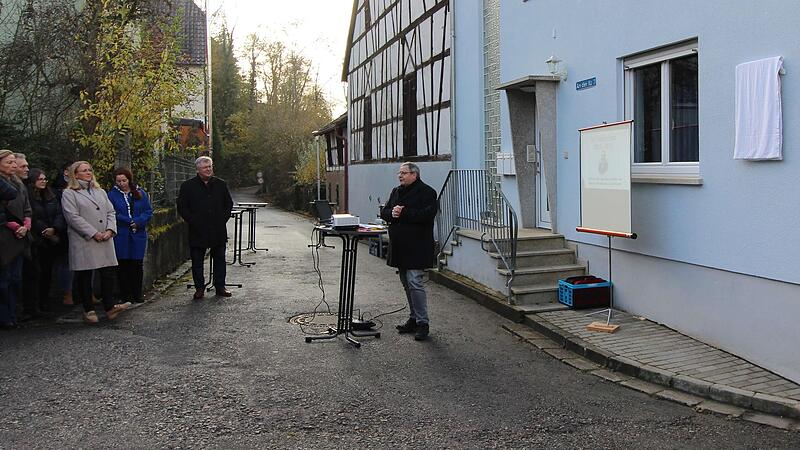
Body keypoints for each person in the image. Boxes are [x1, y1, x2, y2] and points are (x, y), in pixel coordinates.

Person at [61, 161, 130, 324]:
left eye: (90, 170)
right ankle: (88, 309)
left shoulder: (100, 191)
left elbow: (111, 212)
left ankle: (110, 307)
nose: (88, 173)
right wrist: (93, 233)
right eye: (84, 170)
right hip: (85, 239)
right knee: (85, 274)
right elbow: (72, 217)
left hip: (105, 237)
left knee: (107, 273)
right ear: (75, 174)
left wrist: (110, 230)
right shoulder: (69, 193)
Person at [380, 162, 438, 341]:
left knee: (414, 281)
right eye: (399, 173)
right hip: (400, 245)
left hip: (417, 245)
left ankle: (423, 323)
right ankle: (413, 318)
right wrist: (392, 213)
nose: (400, 175)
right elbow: (385, 212)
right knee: (406, 282)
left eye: (404, 173)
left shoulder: (427, 192)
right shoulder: (396, 191)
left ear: (414, 174)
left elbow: (427, 215)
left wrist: (403, 213)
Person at [177, 156, 234, 300]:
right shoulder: (188, 186)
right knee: (197, 261)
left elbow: (228, 204)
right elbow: (182, 207)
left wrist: (222, 219)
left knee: (220, 259)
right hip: (197, 229)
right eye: (205, 167)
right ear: (198, 169)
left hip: (217, 229)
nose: (208, 170)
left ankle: (220, 286)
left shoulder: (221, 184)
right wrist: (193, 220)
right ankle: (199, 288)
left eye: (210, 167)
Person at [107, 167, 152, 304]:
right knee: (123, 265)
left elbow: (148, 211)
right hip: (121, 234)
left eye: (124, 180)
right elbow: (112, 212)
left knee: (136, 264)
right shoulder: (111, 195)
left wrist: (138, 221)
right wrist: (128, 220)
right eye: (118, 181)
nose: (122, 183)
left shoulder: (140, 193)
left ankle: (137, 293)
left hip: (138, 233)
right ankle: (126, 294)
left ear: (129, 180)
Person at [25, 168, 66, 313]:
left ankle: (45, 301)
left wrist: (54, 228)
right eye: (40, 179)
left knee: (47, 272)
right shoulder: (29, 196)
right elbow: (32, 216)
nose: (43, 182)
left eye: (44, 179)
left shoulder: (51, 195)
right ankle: (33, 304)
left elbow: (59, 213)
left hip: (52, 239)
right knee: (36, 273)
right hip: (38, 239)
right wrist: (44, 230)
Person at [0, 150, 31, 329]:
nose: (13, 165)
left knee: (15, 279)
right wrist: (14, 226)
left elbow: (27, 208)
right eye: (9, 162)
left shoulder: (19, 184)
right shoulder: (4, 185)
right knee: (4, 280)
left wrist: (26, 225)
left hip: (20, 236)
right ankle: (5, 317)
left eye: (14, 162)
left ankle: (13, 315)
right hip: (5, 235)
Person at [51, 161, 74, 305]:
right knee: (65, 262)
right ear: (66, 172)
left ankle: (85, 292)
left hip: (79, 230)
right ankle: (67, 292)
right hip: (64, 230)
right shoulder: (58, 190)